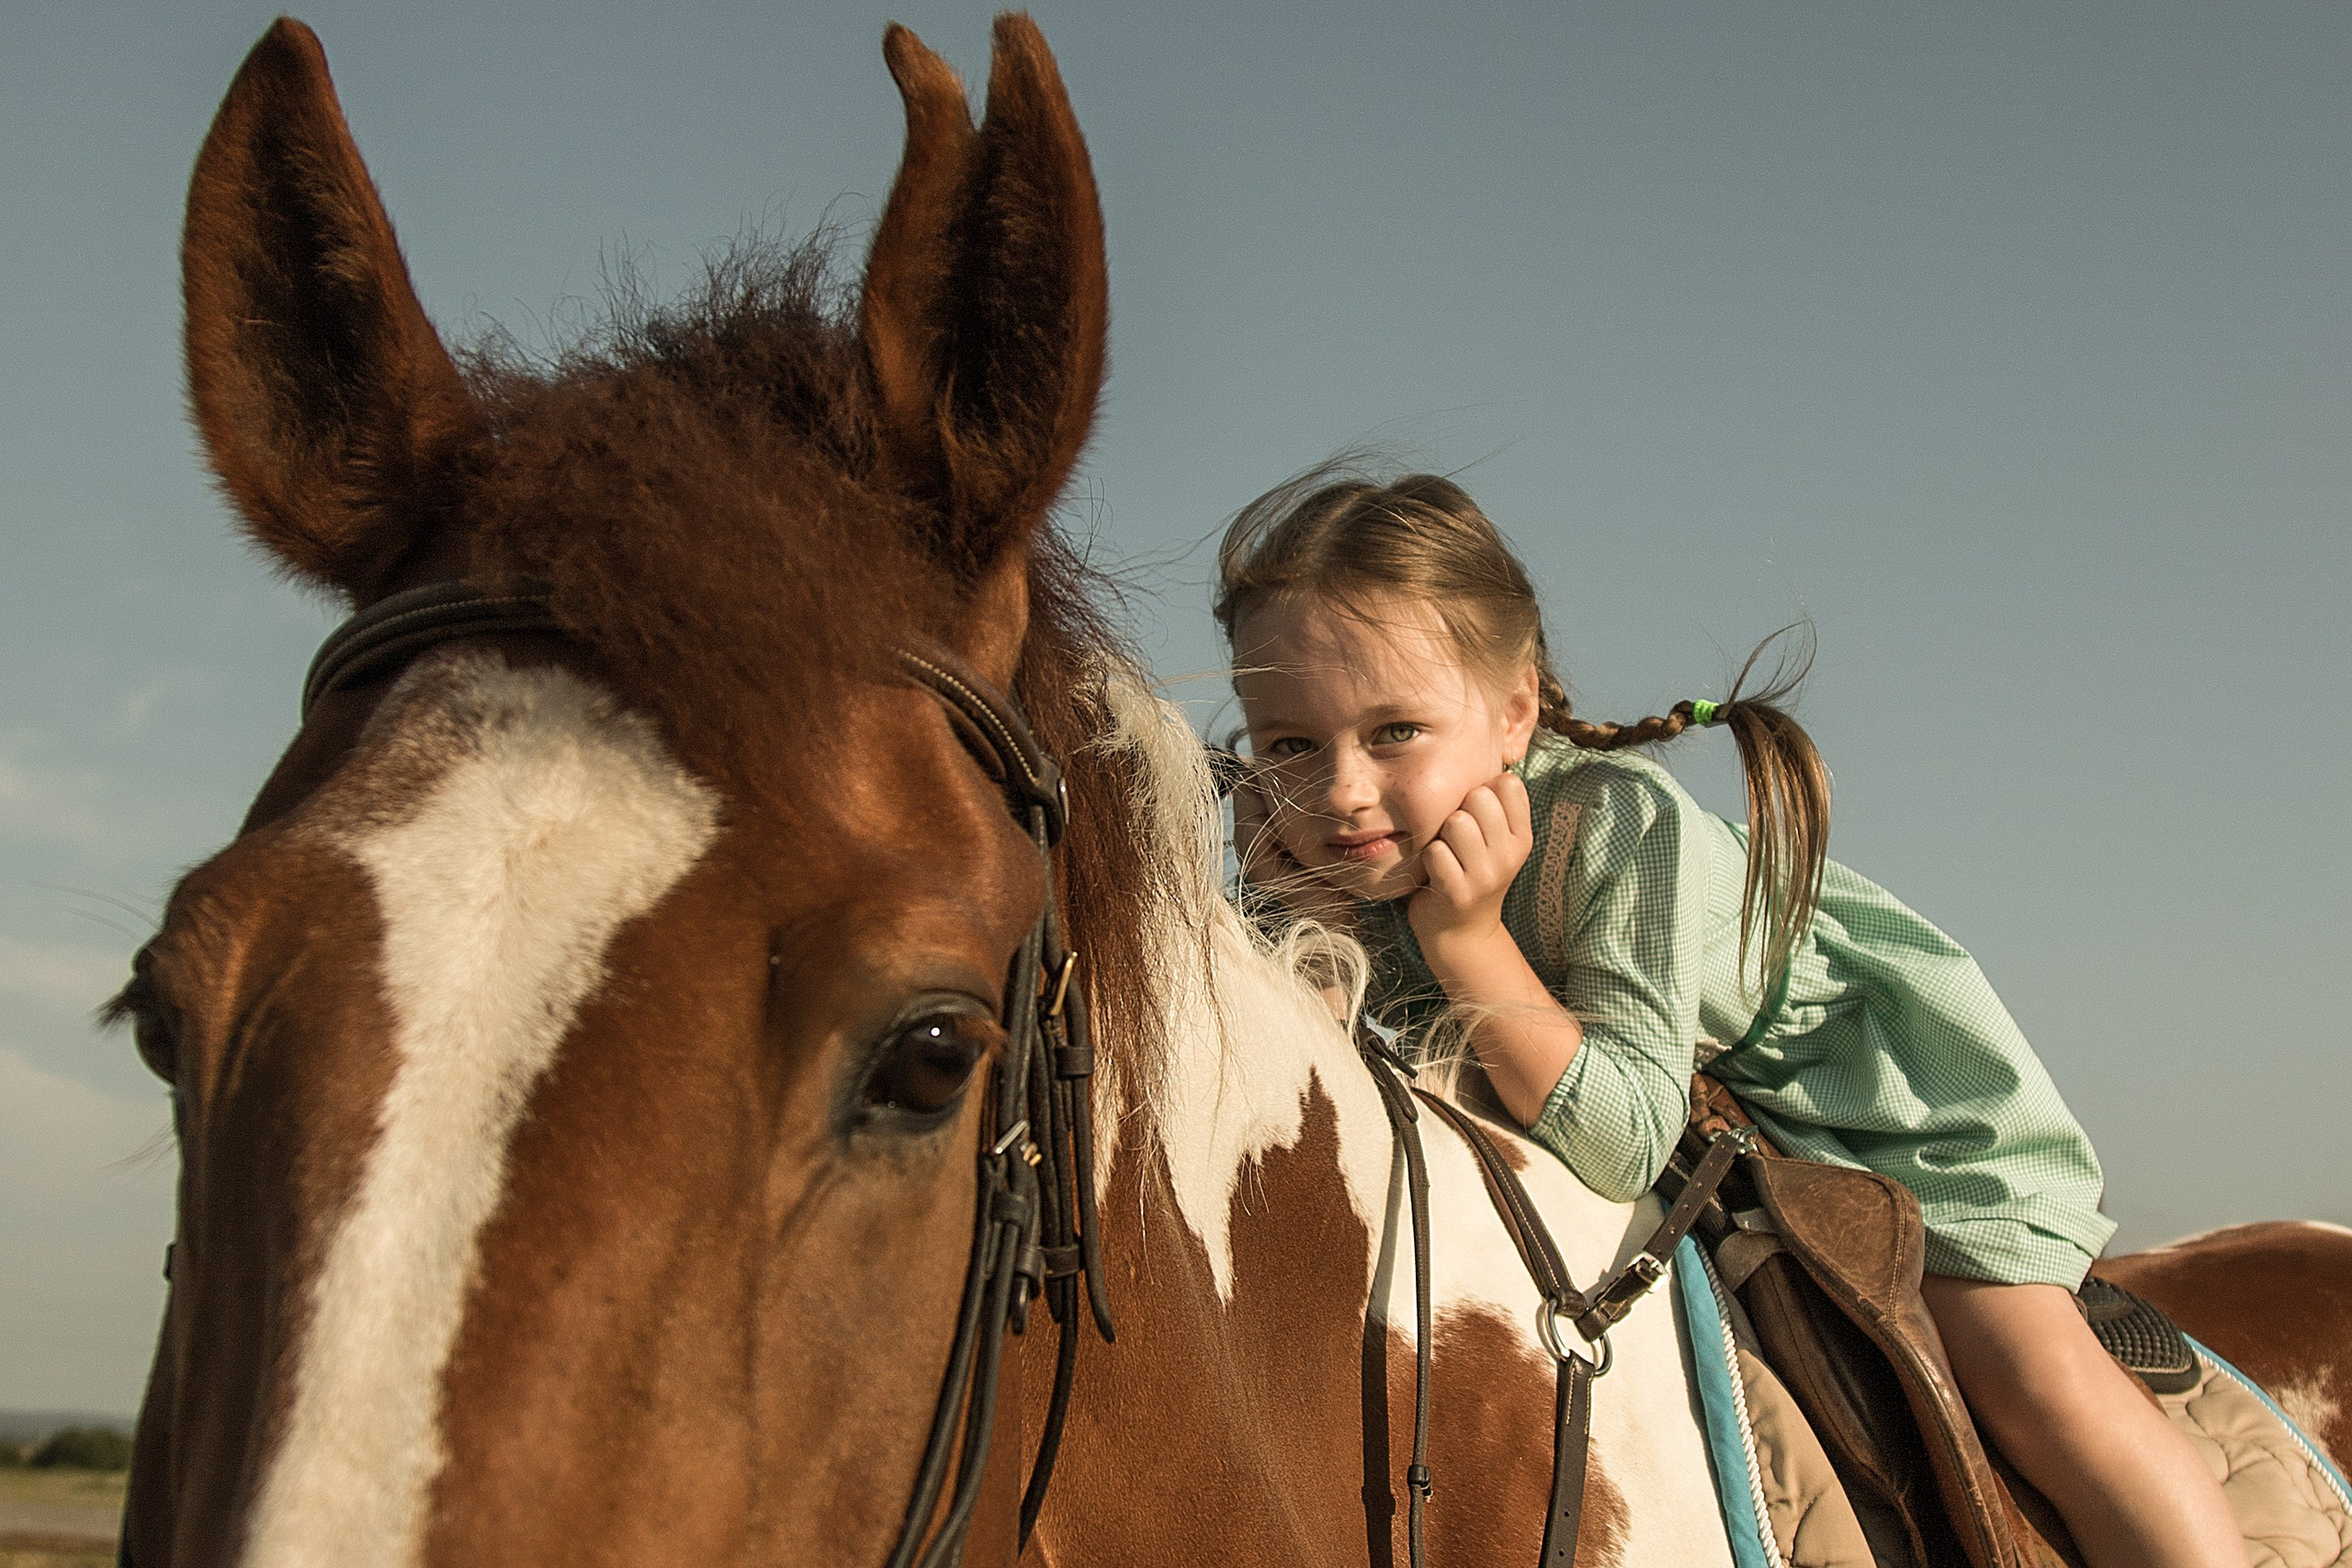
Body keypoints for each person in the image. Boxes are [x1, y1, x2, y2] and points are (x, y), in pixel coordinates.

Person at [1218, 467, 2247, 1568]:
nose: (1338, 792)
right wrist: (1291, 941)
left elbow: (1621, 1143)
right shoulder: (1324, 864)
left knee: (2031, 1379)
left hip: (1872, 1098)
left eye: (1393, 732)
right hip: (1699, 1112)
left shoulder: (1613, 824)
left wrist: (1467, 941)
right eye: (1286, 745)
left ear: (1512, 712)